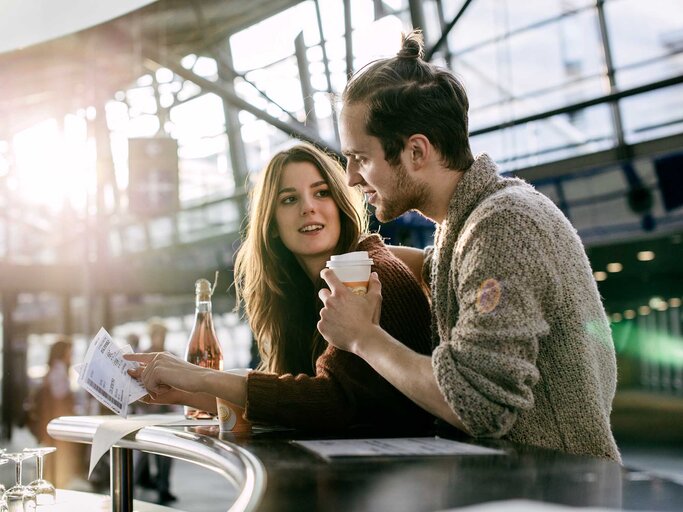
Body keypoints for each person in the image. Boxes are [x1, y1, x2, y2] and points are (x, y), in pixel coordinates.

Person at [316, 31, 621, 462]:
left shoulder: (505, 225)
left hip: (556, 493)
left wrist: (363, 337)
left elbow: (479, 405)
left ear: (416, 151)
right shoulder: (460, 229)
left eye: (361, 158)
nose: (350, 177)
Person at [125, 142, 433, 433]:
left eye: (322, 193)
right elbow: (294, 397)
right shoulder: (300, 293)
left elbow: (332, 402)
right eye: (289, 199)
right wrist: (179, 392)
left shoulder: (370, 274)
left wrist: (200, 377)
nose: (308, 207)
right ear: (271, 224)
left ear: (340, 204)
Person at [26, 336, 84, 488]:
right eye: (69, 352)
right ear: (62, 353)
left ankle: (50, 484)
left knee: (52, 457)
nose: (71, 355)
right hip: (56, 422)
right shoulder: (59, 371)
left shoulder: (53, 369)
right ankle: (53, 486)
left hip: (49, 421)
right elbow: (60, 397)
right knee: (58, 457)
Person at [132, 321, 177, 506]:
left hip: (165, 412)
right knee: (143, 453)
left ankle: (163, 487)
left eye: (164, 334)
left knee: (166, 453)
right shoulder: (144, 357)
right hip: (146, 413)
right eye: (160, 334)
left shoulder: (170, 356)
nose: (162, 338)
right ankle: (132, 486)